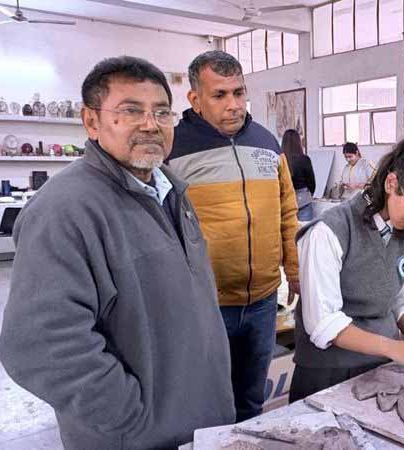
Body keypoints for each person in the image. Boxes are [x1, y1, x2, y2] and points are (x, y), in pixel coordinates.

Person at [0, 56, 234, 449]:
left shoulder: (171, 192)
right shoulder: (64, 210)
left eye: (162, 112)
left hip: (200, 420)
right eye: (130, 111)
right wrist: (129, 416)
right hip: (137, 436)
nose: (151, 124)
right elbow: (38, 346)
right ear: (91, 122)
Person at [167, 50, 299, 421]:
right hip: (206, 304)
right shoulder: (172, 149)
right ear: (195, 99)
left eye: (239, 93)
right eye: (220, 95)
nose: (234, 105)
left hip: (263, 302)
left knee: (252, 401)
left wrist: (294, 271)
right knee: (207, 403)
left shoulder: (267, 143)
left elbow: (287, 212)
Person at [289, 129, 404, 402]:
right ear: (391, 183)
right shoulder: (330, 231)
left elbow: (402, 300)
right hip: (327, 372)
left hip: (382, 368)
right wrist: (395, 348)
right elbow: (323, 323)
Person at [281, 129, 316, 221]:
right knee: (305, 229)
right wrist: (309, 194)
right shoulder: (304, 159)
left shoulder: (280, 160)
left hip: (285, 200)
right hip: (303, 200)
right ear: (298, 142)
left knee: (288, 229)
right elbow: (312, 183)